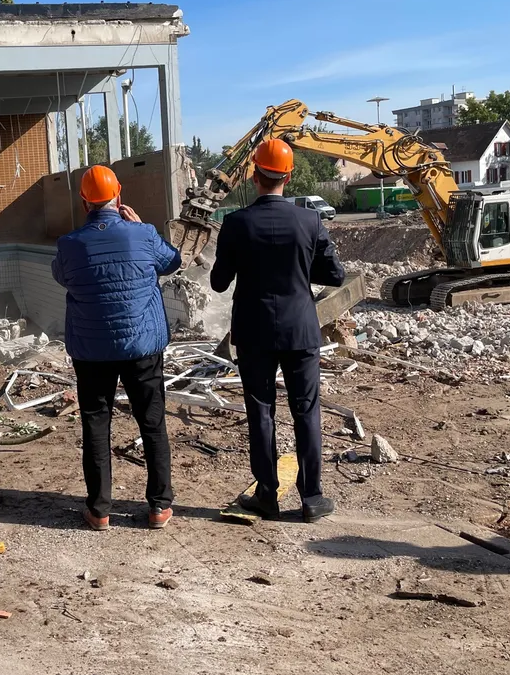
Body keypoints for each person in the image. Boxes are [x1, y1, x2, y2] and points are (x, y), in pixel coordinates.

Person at [210, 139, 346, 523]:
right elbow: (334, 274)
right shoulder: (310, 220)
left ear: (255, 176)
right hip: (300, 331)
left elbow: (220, 283)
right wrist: (302, 266)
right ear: (288, 176)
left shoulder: (236, 223)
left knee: (261, 410)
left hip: (254, 332)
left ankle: (267, 495)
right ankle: (313, 497)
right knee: (306, 410)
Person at [52, 165, 182, 531]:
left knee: (96, 425)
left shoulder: (69, 244)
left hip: (92, 352)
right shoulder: (142, 234)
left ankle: (99, 510)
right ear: (119, 196)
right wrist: (141, 226)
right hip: (142, 347)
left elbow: (62, 276)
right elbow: (173, 261)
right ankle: (159, 507)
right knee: (152, 423)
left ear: (84, 202)